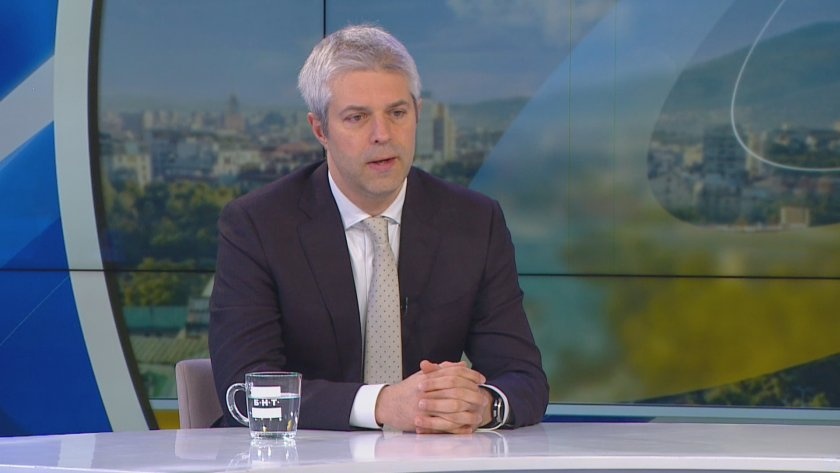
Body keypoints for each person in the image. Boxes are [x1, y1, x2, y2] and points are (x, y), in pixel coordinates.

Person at [209, 24, 548, 434]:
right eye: (357, 117)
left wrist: (481, 405)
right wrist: (383, 404)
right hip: (300, 457)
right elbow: (246, 393)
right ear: (320, 130)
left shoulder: (474, 222)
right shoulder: (258, 225)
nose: (382, 135)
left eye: (397, 113)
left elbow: (524, 379)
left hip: (431, 458)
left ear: (417, 113)